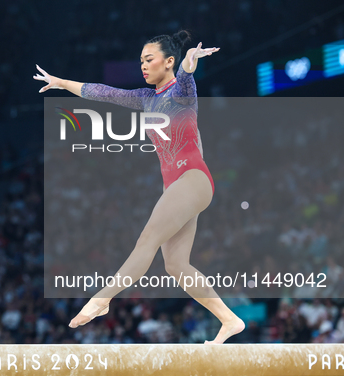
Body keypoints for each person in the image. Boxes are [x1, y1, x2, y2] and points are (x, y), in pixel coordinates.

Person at [34, 30, 245, 344]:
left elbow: (187, 72)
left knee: (146, 240)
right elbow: (104, 93)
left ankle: (102, 299)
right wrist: (63, 83)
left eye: (149, 60)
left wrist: (190, 62)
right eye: (141, 61)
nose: (143, 66)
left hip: (192, 177)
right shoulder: (147, 99)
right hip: (177, 185)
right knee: (175, 265)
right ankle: (229, 320)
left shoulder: (182, 90)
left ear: (168, 61)